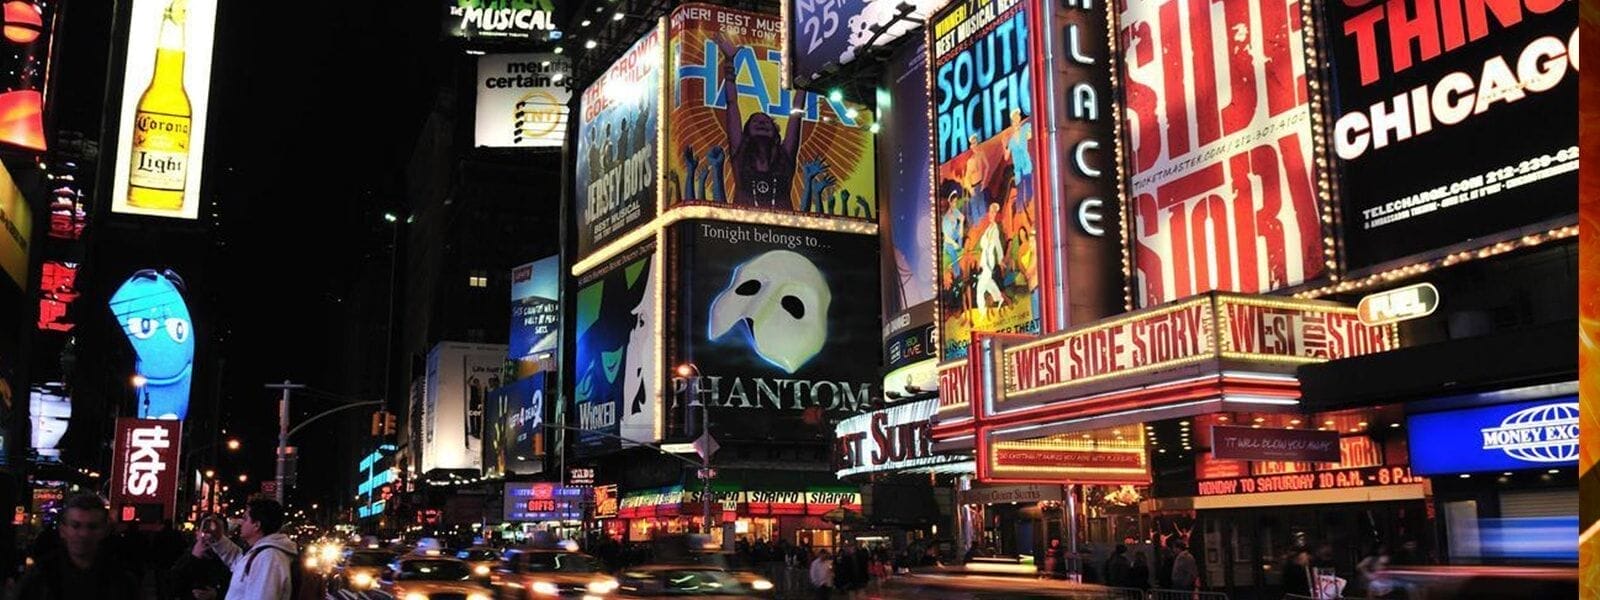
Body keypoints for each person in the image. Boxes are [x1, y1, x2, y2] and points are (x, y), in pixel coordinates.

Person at [12, 493, 141, 600]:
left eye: (92, 527)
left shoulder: (121, 580)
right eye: (76, 526)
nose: (84, 534)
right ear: (63, 530)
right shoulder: (39, 577)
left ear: (105, 531)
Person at [197, 498, 297, 600]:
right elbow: (238, 561)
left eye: (245, 518)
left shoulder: (269, 558)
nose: (240, 522)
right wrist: (218, 538)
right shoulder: (261, 553)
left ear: (256, 525)